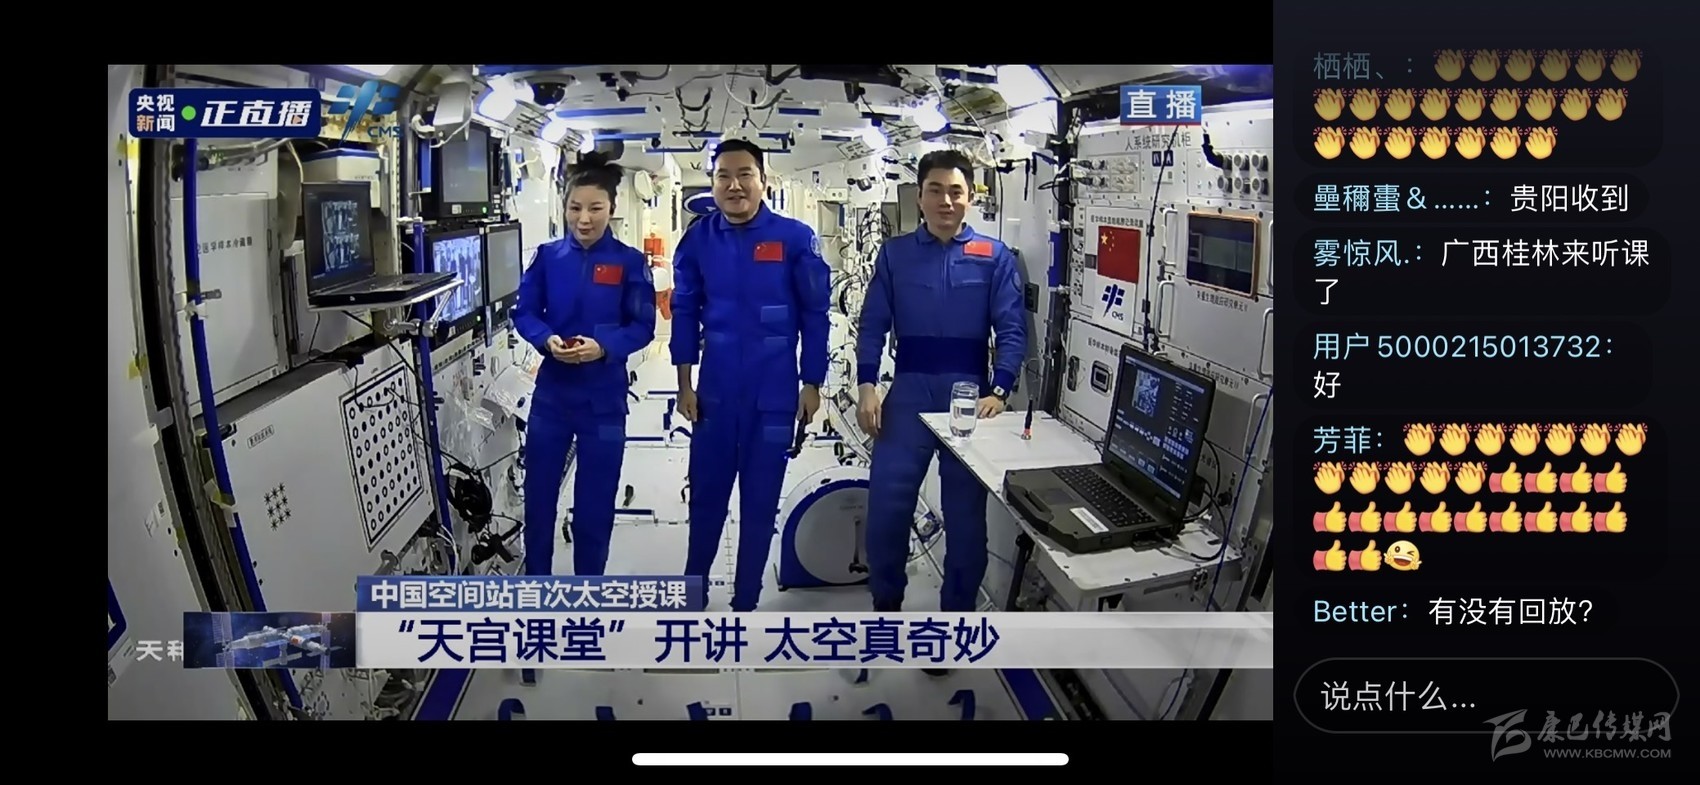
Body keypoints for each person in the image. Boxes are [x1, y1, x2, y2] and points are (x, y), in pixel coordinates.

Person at [856, 149, 1027, 619]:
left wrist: (1001, 389)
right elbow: (872, 324)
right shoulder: (895, 256)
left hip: (967, 398)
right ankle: (886, 604)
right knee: (887, 510)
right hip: (908, 394)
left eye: (955, 192)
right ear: (920, 196)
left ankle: (956, 617)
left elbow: (1011, 329)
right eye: (935, 190)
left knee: (966, 521)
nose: (946, 201)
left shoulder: (993, 257)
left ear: (970, 197)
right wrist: (867, 384)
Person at [672, 139, 830, 611]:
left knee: (760, 503)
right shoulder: (699, 240)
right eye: (723, 176)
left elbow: (815, 315)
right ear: (713, 183)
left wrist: (812, 382)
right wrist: (684, 383)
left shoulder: (795, 239)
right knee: (706, 498)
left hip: (775, 393)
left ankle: (746, 602)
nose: (734, 185)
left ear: (764, 181)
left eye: (745, 175)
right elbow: (684, 311)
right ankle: (693, 593)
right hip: (715, 393)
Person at [512, 152, 657, 577]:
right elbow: (524, 312)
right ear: (565, 207)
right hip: (552, 397)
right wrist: (546, 339)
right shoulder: (548, 257)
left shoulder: (629, 263)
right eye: (575, 208)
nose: (584, 218)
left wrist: (603, 347)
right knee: (539, 499)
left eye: (595, 208)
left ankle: (588, 589)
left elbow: (643, 326)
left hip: (604, 400)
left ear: (612, 207)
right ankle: (536, 586)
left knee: (596, 503)